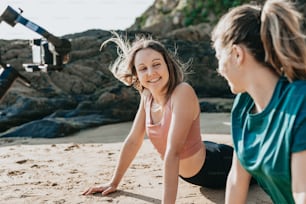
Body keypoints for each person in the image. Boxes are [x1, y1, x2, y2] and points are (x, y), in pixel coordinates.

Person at [82, 32, 233, 203]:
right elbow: (133, 140)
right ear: (137, 74)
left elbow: (173, 151)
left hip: (215, 166)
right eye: (143, 68)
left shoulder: (182, 92)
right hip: (197, 158)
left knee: (259, 168)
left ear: (167, 65)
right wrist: (113, 182)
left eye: (156, 64)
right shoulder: (147, 96)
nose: (151, 72)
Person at [211, 0, 306, 203]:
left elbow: (302, 193)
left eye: (219, 57)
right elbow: (237, 179)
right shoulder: (243, 106)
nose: (219, 69)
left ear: (237, 54)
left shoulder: (300, 102)